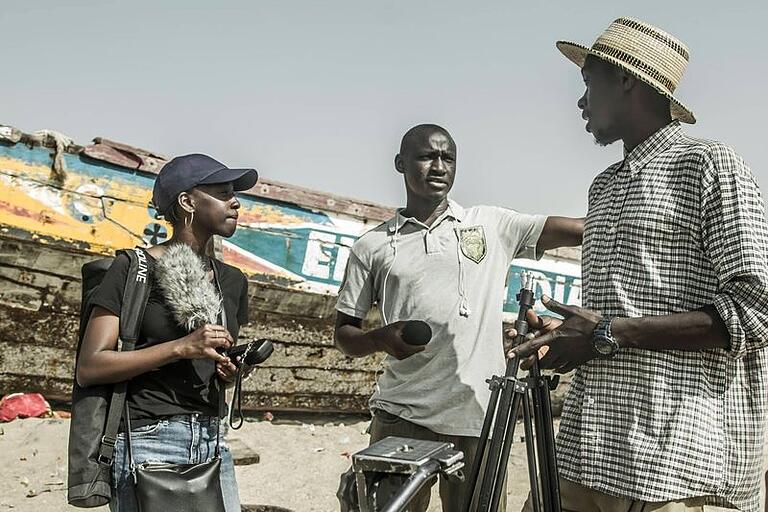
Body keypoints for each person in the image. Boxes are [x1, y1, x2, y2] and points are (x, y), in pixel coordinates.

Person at [509, 17, 768, 512]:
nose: (580, 103)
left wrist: (609, 331)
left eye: (588, 84)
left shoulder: (709, 164)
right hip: (587, 451)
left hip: (672, 465)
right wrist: (567, 339)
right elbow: (612, 319)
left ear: (627, 80)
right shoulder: (604, 187)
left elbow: (755, 311)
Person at [334, 123, 584, 511]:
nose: (438, 166)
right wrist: (380, 339)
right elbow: (344, 334)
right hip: (400, 414)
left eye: (447, 158)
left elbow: (577, 230)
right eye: (426, 156)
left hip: (477, 416)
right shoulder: (374, 245)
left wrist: (630, 219)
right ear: (400, 163)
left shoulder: (491, 224)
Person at [76, 153, 257, 512]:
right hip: (147, 440)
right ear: (187, 202)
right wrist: (181, 347)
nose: (235, 201)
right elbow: (90, 366)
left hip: (211, 438)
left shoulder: (233, 280)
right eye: (222, 192)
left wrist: (232, 371)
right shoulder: (133, 269)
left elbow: (207, 363)